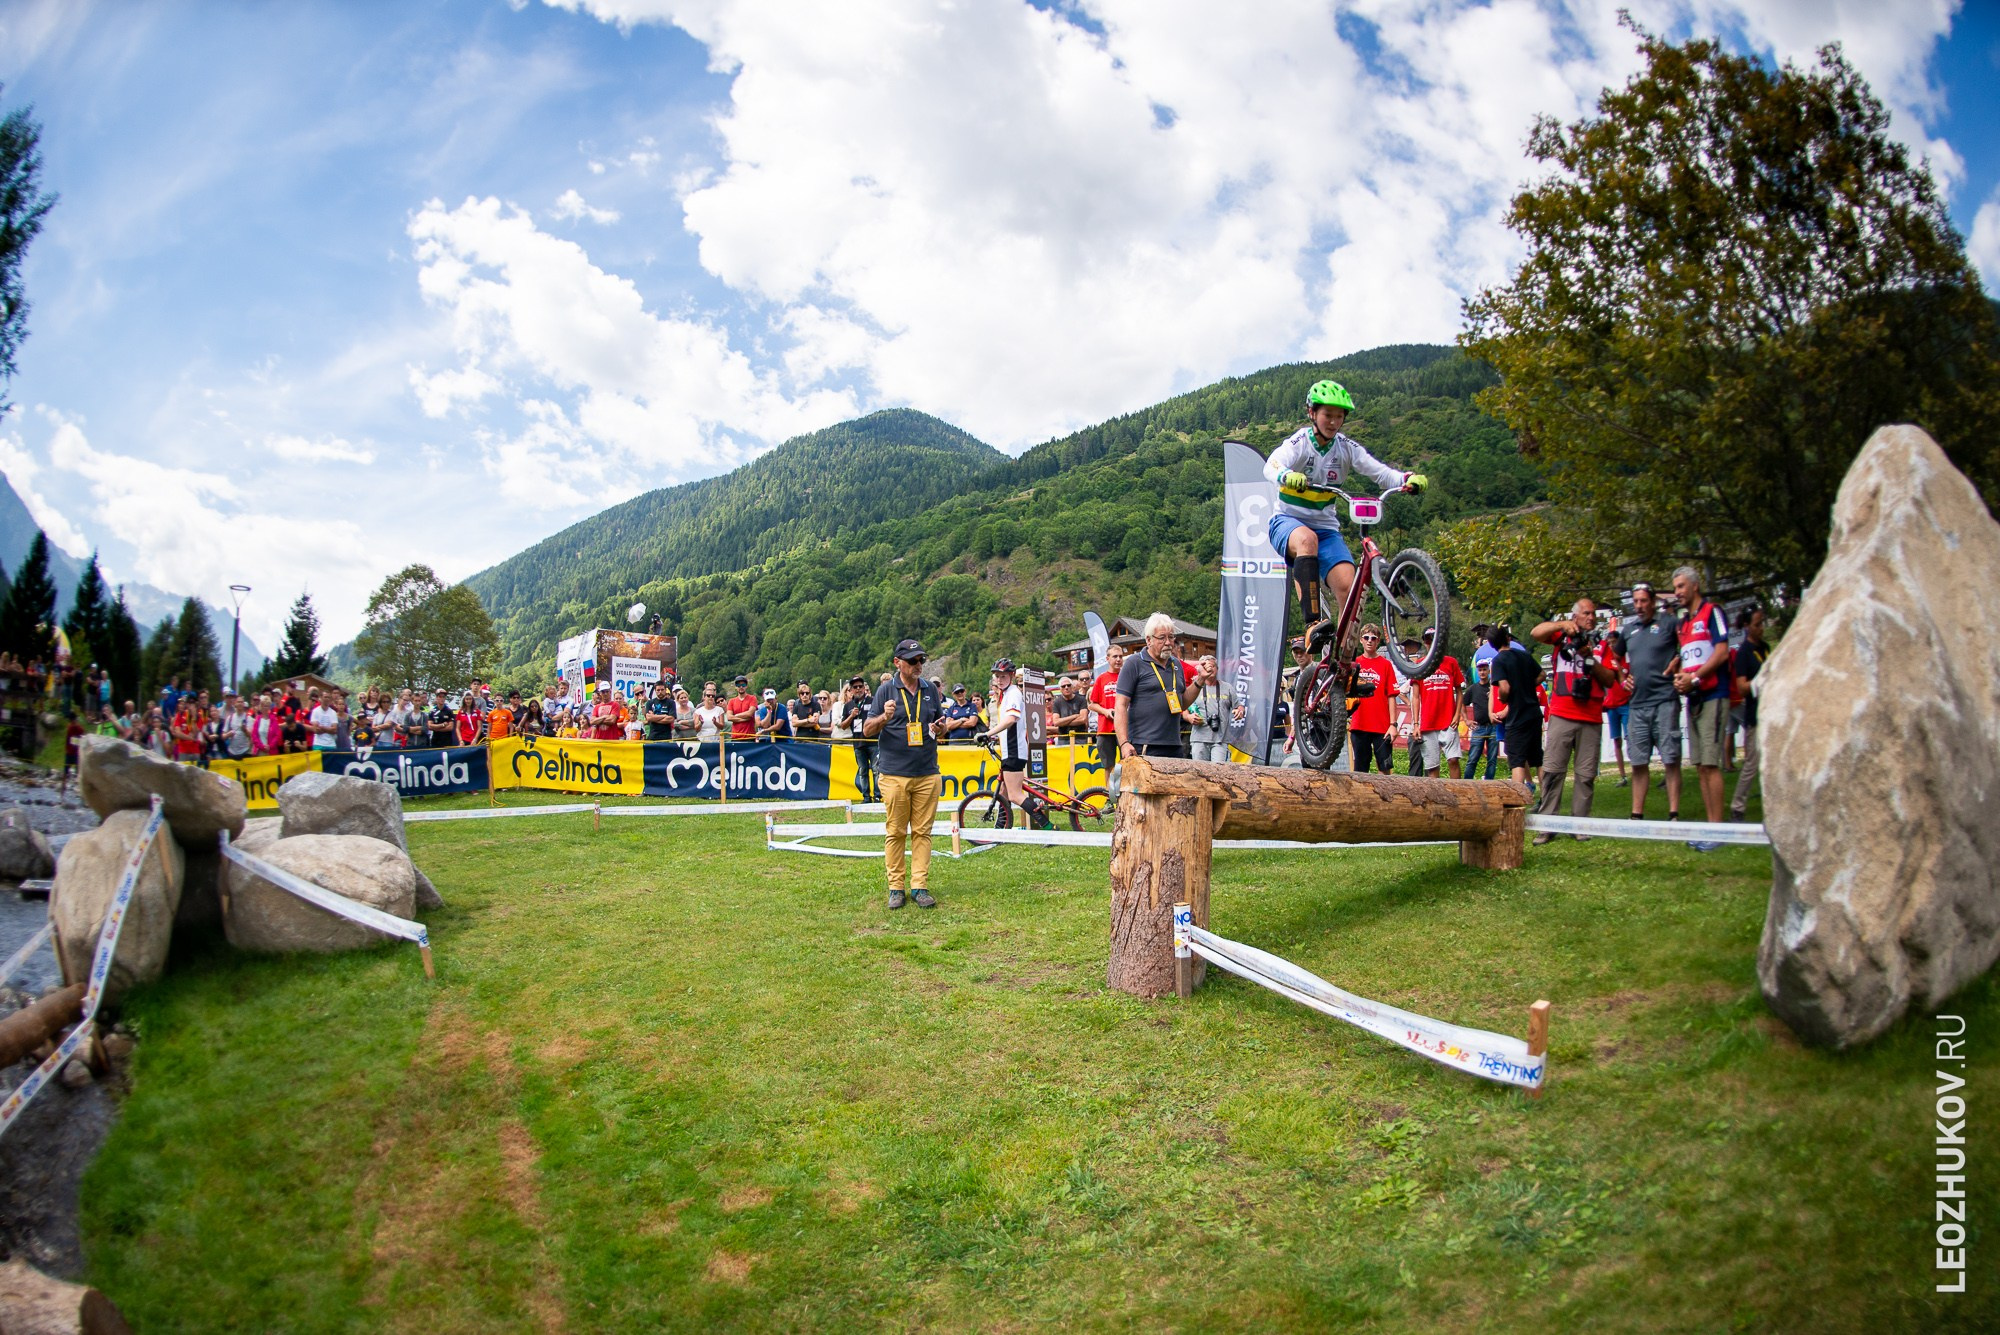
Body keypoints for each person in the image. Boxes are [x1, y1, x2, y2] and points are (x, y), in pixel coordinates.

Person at [1263, 379, 1427, 644]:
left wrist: (1407, 479)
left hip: (1327, 529)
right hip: (1287, 521)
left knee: (1349, 590)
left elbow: (1380, 472)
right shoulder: (1299, 443)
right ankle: (1312, 624)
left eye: (1339, 417)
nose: (1333, 422)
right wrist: (1286, 474)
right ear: (1312, 413)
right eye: (1328, 415)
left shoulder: (1346, 448)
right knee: (1307, 540)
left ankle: (1343, 662)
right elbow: (1271, 465)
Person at [861, 640, 947, 909]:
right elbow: (866, 730)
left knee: (923, 832)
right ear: (898, 662)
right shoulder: (885, 690)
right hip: (894, 774)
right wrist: (883, 719)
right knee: (896, 832)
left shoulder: (930, 689)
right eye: (913, 661)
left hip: (927, 772)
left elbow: (942, 725)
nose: (919, 665)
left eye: (921, 660)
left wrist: (941, 727)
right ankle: (896, 888)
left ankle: (919, 886)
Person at [1528, 599, 1619, 842]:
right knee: (1553, 771)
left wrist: (1589, 659)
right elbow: (1535, 632)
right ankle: (1547, 825)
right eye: (1586, 614)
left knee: (1586, 774)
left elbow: (1610, 680)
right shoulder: (1560, 636)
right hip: (1561, 713)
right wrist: (1562, 624)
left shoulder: (1601, 643)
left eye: (1593, 614)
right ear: (1576, 616)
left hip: (1590, 716)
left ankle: (1580, 825)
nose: (1591, 618)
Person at [1671, 566, 1733, 848]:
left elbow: (1721, 651)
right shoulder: (1683, 623)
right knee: (1700, 765)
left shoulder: (1712, 612)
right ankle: (1710, 828)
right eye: (1675, 588)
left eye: (1681, 586)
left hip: (1712, 694)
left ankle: (1718, 831)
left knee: (1711, 762)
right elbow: (1687, 658)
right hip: (1693, 698)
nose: (1677, 592)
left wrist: (1695, 678)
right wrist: (1683, 678)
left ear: (1695, 586)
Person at [1614, 581, 1683, 824]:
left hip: (1665, 700)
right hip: (1638, 704)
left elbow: (1687, 646)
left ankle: (1673, 813)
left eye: (1644, 601)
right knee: (1638, 761)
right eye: (1636, 602)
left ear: (1652, 602)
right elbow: (1616, 658)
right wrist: (1623, 678)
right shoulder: (1628, 629)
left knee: (1671, 758)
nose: (1640, 606)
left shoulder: (1670, 623)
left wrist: (1678, 663)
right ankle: (1637, 814)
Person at [1115, 613, 1197, 762]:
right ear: (1149, 640)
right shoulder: (1134, 663)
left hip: (1174, 744)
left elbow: (1181, 704)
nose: (1168, 643)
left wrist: (1200, 681)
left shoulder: (1176, 664)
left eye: (1171, 637)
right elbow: (1120, 705)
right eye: (1162, 638)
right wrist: (1124, 743)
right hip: (1145, 745)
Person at [1486, 623, 1543, 785]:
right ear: (1507, 638)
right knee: (1538, 760)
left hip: (1517, 716)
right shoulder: (1523, 655)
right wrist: (1526, 686)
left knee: (1517, 761)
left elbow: (1504, 688)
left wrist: (1503, 699)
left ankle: (1517, 801)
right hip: (1534, 713)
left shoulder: (1498, 661)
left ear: (1491, 644)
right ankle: (1548, 801)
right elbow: (1542, 675)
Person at [1729, 605, 1770, 821]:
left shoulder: (1765, 647)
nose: (1761, 628)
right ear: (1746, 627)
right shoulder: (1743, 653)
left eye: (1762, 623)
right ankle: (1737, 805)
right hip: (1754, 715)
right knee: (1751, 763)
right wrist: (1761, 682)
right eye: (1757, 624)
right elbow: (1742, 687)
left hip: (1769, 713)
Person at [1413, 628, 1466, 778]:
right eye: (1428, 639)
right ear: (1424, 642)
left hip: (1448, 720)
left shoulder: (1451, 662)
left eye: (1434, 637)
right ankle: (1436, 800)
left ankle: (1456, 794)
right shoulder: (1419, 664)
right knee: (1432, 766)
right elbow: (1415, 697)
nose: (1431, 642)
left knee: (1453, 759)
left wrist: (1457, 716)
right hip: (1428, 722)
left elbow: (1459, 691)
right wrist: (1416, 724)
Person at [986, 660, 1032, 814]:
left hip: (1014, 750)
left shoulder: (1013, 693)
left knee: (1014, 795)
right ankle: (1001, 829)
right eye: (997, 676)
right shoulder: (1006, 694)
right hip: (1010, 750)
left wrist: (988, 733)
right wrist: (993, 737)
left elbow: (1011, 719)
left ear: (1011, 675)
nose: (999, 680)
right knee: (1003, 793)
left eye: (1003, 676)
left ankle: (1049, 826)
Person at [1347, 626, 1395, 773]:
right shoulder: (1354, 663)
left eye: (1373, 638)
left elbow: (1392, 695)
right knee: (1360, 770)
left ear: (1378, 641)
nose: (1370, 641)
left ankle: (1386, 796)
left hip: (1382, 726)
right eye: (1366, 637)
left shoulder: (1386, 664)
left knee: (1385, 769)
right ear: (1361, 640)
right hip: (1359, 724)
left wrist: (1393, 724)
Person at [1186, 655, 1236, 763]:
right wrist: (1188, 717)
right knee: (1199, 772)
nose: (1210, 669)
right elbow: (1183, 705)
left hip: (1220, 740)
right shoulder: (1194, 686)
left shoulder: (1227, 687)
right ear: (1200, 669)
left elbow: (1239, 706)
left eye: (1213, 666)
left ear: (1217, 669)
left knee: (1218, 773)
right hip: (1199, 738)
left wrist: (1239, 711)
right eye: (1207, 666)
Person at [1087, 644, 1126, 778]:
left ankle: (1125, 797)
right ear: (1107, 658)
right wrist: (1105, 711)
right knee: (1108, 766)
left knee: (1126, 764)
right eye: (1115, 656)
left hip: (1125, 727)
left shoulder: (1127, 677)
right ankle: (1109, 797)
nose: (1118, 659)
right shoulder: (1101, 679)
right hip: (1105, 728)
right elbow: (1092, 705)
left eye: (1121, 656)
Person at [1463, 657, 1501, 780]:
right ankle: (1466, 783)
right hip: (1478, 727)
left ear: (1489, 671)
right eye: (1480, 670)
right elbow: (1462, 703)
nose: (1482, 672)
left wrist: (1494, 696)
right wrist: (1466, 720)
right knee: (1473, 758)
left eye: (1485, 670)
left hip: (1493, 726)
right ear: (1477, 672)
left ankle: (1489, 783)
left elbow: (1504, 700)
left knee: (1492, 759)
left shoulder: (1494, 687)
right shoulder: (1473, 689)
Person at [841, 676, 876, 801]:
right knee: (863, 771)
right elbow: (843, 725)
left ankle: (878, 795)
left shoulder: (873, 701)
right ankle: (866, 796)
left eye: (860, 686)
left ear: (864, 688)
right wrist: (851, 716)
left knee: (877, 770)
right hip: (858, 743)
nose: (858, 689)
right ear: (851, 690)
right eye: (855, 687)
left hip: (873, 741)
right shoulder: (848, 705)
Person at [1050, 676, 1089, 742]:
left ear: (1072, 687)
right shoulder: (1057, 702)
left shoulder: (1081, 700)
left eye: (1068, 685)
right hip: (1063, 738)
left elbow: (1083, 719)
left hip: (1080, 738)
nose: (1066, 687)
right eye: (1063, 686)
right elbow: (1056, 722)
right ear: (1060, 689)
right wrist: (1074, 716)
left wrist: (1063, 722)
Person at [725, 675, 757, 740]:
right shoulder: (731, 701)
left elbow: (750, 713)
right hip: (735, 737)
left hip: (750, 736)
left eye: (743, 685)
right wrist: (744, 719)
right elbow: (729, 717)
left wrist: (736, 715)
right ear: (736, 687)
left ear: (746, 686)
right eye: (738, 685)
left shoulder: (752, 698)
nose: (741, 687)